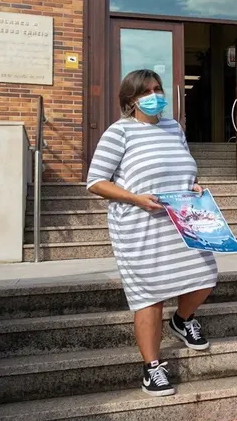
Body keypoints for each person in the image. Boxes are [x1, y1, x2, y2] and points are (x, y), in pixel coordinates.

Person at [87, 69, 217, 398]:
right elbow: (96, 182)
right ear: (131, 100)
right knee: (150, 295)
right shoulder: (119, 132)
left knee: (205, 276)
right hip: (139, 225)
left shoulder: (173, 128)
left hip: (181, 219)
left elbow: (184, 168)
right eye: (146, 91)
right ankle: (152, 368)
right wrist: (135, 198)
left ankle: (182, 320)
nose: (154, 96)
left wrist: (193, 185)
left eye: (157, 89)